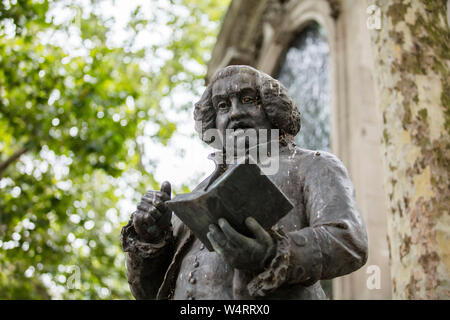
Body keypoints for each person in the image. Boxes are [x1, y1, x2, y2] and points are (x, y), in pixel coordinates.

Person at [121, 65, 368, 299]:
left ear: (273, 109)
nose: (235, 112)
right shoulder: (197, 196)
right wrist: (151, 238)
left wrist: (271, 253)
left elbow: (348, 241)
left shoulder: (312, 165)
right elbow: (147, 293)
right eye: (222, 106)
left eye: (248, 99)